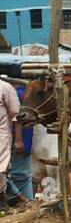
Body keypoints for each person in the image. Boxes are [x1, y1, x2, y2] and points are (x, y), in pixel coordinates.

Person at [1, 78, 32, 211]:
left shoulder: (6, 88)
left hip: (2, 136)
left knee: (2, 170)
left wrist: (18, 140)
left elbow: (17, 116)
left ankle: (18, 199)